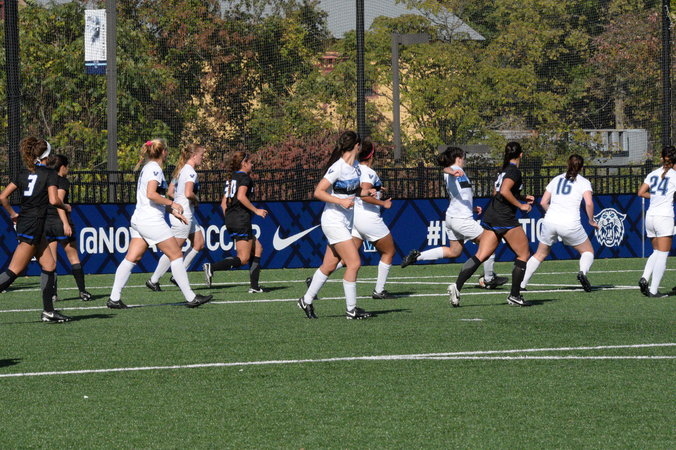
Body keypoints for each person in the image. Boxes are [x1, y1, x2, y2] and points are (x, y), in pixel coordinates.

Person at [107, 139, 212, 309]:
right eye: (166, 151)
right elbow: (151, 194)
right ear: (163, 152)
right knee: (176, 255)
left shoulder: (148, 168)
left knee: (132, 258)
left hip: (140, 219)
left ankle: (114, 298)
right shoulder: (155, 169)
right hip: (151, 221)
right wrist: (172, 204)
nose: (167, 153)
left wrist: (172, 211)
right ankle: (191, 298)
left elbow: (153, 199)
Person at [400, 146, 508, 289]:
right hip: (461, 219)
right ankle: (489, 278)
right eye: (463, 157)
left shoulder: (460, 172)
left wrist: (472, 208)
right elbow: (446, 170)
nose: (464, 160)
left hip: (453, 218)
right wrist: (452, 171)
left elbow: (460, 195)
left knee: (454, 251)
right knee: (490, 243)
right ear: (458, 158)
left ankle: (417, 256)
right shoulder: (453, 170)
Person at [447, 141, 534, 307]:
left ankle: (456, 287)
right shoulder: (514, 171)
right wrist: (521, 205)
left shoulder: (503, 170)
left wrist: (522, 197)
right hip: (505, 218)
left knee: (481, 255)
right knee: (523, 254)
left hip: (492, 215)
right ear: (521, 155)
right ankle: (515, 296)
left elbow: (496, 192)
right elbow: (504, 191)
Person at [298, 131, 373, 319]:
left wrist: (368, 192)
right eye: (359, 144)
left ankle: (306, 300)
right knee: (354, 263)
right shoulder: (337, 167)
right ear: (356, 146)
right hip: (333, 221)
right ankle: (351, 310)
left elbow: (354, 190)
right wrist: (340, 202)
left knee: (329, 265)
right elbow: (318, 192)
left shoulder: (356, 167)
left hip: (344, 222)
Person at [0, 137, 73, 322]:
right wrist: (65, 207)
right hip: (34, 225)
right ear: (47, 155)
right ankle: (48, 311)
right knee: (13, 271)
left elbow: (3, 197)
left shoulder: (24, 173)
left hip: (30, 224)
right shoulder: (50, 174)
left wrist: (12, 214)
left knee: (49, 266)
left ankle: (49, 311)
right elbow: (54, 200)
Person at [519, 154, 598, 292]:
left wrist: (553, 213)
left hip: (549, 221)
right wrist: (591, 220)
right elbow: (589, 203)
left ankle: (521, 284)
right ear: (581, 167)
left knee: (539, 254)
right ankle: (582, 272)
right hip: (570, 223)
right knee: (587, 251)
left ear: (568, 164)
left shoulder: (556, 179)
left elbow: (543, 202)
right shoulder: (583, 182)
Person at [202, 151, 268, 293]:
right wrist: (256, 210)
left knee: (258, 248)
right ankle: (212, 267)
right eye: (250, 162)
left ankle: (255, 287)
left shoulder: (231, 178)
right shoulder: (245, 178)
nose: (252, 164)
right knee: (243, 258)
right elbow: (241, 197)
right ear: (244, 163)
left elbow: (223, 204)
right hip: (241, 220)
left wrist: (230, 218)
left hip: (231, 219)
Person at [146, 143, 206, 291]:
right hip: (183, 214)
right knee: (174, 249)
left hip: (186, 213)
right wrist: (196, 199)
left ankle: (177, 275)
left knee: (199, 243)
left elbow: (171, 191)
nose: (203, 158)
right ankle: (154, 280)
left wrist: (181, 201)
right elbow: (188, 193)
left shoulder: (182, 170)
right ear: (194, 156)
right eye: (201, 155)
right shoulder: (190, 171)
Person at [350, 137, 395, 298]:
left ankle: (317, 278)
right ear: (371, 155)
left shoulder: (355, 167)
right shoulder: (369, 172)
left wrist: (377, 187)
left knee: (348, 256)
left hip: (355, 217)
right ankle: (379, 290)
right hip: (368, 218)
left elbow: (363, 188)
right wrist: (383, 203)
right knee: (389, 251)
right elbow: (364, 194)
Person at [44, 154, 93, 302]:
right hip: (59, 222)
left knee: (51, 261)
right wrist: (65, 223)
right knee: (73, 257)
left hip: (47, 223)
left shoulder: (46, 179)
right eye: (67, 166)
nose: (68, 169)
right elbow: (58, 201)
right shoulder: (62, 181)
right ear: (62, 167)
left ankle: (52, 294)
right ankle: (82, 291)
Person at [637, 145, 676, 298]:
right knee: (663, 255)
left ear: (662, 158)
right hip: (664, 217)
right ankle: (653, 290)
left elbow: (641, 192)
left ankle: (645, 277)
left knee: (656, 251)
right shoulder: (674, 175)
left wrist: (656, 196)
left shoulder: (653, 173)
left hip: (650, 216)